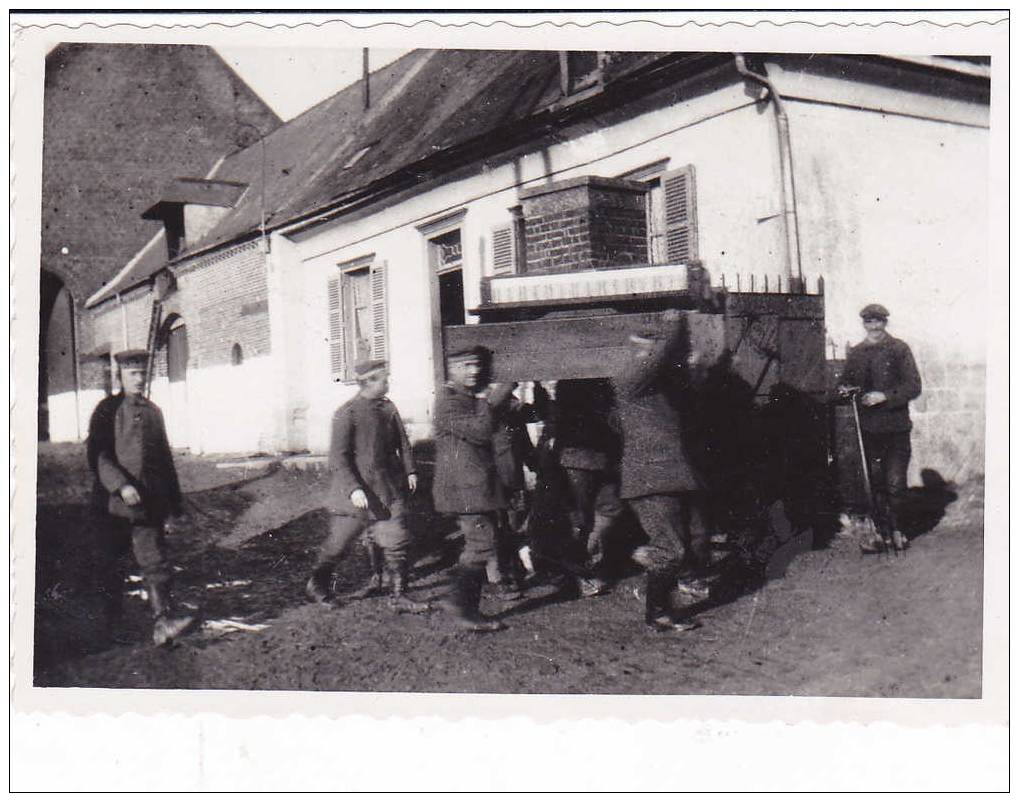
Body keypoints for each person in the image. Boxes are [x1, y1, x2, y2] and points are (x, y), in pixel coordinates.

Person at [85, 349, 196, 647]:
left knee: (155, 560)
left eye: (142, 373)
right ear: (121, 375)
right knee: (111, 564)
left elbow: (164, 461)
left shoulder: (153, 411)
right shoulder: (107, 410)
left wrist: (174, 504)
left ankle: (163, 623)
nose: (139, 379)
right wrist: (121, 485)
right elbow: (98, 455)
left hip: (148, 503)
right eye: (133, 373)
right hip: (113, 505)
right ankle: (109, 627)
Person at [613, 310, 710, 633]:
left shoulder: (657, 386)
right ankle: (657, 612)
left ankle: (646, 572)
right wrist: (673, 323)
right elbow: (658, 358)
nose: (653, 355)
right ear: (638, 347)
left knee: (682, 545)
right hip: (650, 477)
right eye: (648, 347)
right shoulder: (630, 378)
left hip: (669, 474)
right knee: (671, 550)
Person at [307, 358, 427, 614]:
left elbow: (403, 443)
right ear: (368, 382)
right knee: (338, 545)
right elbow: (337, 458)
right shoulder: (346, 413)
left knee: (397, 540)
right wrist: (354, 488)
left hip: (386, 490)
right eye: (383, 378)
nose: (387, 382)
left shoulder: (388, 408)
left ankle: (398, 596)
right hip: (355, 496)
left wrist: (411, 470)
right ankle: (318, 583)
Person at [432, 346, 515, 632]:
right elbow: (481, 431)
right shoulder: (448, 402)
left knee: (482, 544)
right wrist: (499, 392)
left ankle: (461, 604)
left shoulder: (466, 397)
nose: (474, 371)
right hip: (465, 489)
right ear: (452, 368)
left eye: (476, 365)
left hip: (474, 486)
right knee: (481, 545)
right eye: (466, 366)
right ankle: (461, 605)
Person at [838, 303, 922, 553]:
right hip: (868, 431)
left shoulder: (899, 349)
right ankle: (879, 532)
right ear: (863, 324)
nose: (874, 327)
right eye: (869, 322)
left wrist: (884, 396)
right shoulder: (857, 353)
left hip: (896, 428)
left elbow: (913, 386)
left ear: (885, 323)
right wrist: (844, 389)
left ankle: (897, 530)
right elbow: (846, 381)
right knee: (873, 483)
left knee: (895, 482)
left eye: (879, 322)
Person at [552, 378, 624, 598]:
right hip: (577, 456)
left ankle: (580, 563)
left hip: (602, 456)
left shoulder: (605, 381)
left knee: (610, 509)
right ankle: (576, 570)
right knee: (579, 519)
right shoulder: (570, 382)